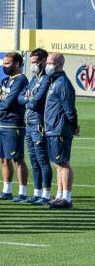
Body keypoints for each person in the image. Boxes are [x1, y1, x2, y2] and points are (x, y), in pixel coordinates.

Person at [0, 52, 29, 202]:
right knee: (3, 159)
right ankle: (7, 191)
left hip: (14, 124)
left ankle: (22, 192)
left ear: (17, 64)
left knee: (17, 158)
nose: (3, 66)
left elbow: (9, 102)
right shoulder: (5, 80)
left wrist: (1, 101)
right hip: (2, 124)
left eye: (7, 63)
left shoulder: (21, 80)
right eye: (3, 63)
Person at [42, 53, 79, 209]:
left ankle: (67, 198)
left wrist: (74, 125)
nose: (48, 65)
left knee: (63, 163)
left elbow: (69, 108)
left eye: (51, 62)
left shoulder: (62, 83)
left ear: (60, 65)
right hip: (52, 128)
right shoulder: (53, 81)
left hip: (60, 128)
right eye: (48, 62)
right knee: (58, 164)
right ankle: (59, 195)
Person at [19, 48, 53, 205]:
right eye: (31, 62)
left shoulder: (46, 79)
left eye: (35, 62)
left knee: (42, 160)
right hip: (29, 124)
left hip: (39, 124)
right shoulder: (34, 79)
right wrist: (28, 99)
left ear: (44, 61)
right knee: (33, 160)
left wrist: (29, 99)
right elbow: (20, 98)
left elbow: (36, 102)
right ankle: (37, 193)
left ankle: (46, 194)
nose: (32, 65)